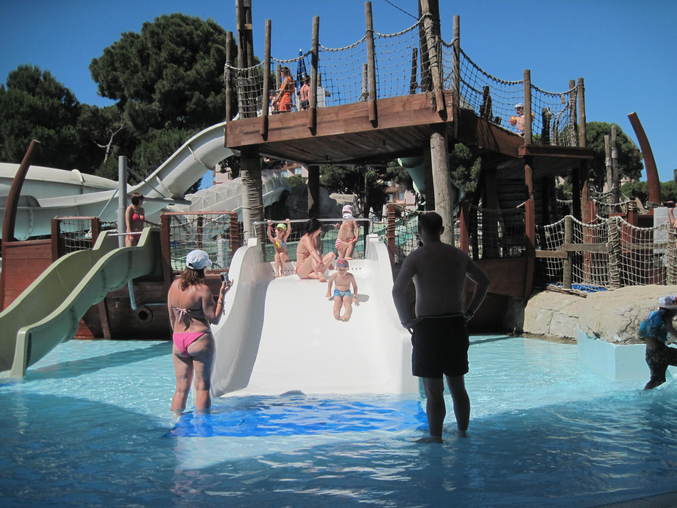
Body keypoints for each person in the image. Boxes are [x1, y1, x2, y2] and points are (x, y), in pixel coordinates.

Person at [392, 212, 490, 443]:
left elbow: (397, 291)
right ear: (442, 230)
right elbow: (484, 282)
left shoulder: (416, 257)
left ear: (420, 232)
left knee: (433, 392)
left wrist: (406, 320)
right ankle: (463, 433)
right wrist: (470, 312)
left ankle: (435, 438)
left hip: (428, 327)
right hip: (455, 324)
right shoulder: (458, 255)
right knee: (458, 387)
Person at [167, 249, 231, 414]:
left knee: (181, 388)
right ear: (203, 269)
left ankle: (175, 419)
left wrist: (177, 335)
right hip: (199, 339)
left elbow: (171, 316)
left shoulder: (174, 285)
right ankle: (202, 424)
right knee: (202, 386)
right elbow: (214, 318)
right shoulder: (203, 290)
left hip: (178, 339)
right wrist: (222, 295)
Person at [639, 295, 677, 390]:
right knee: (657, 380)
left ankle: (643, 395)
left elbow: (671, 330)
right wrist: (656, 346)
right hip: (658, 353)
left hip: (651, 353)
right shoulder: (660, 317)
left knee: (658, 380)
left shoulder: (659, 315)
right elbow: (646, 332)